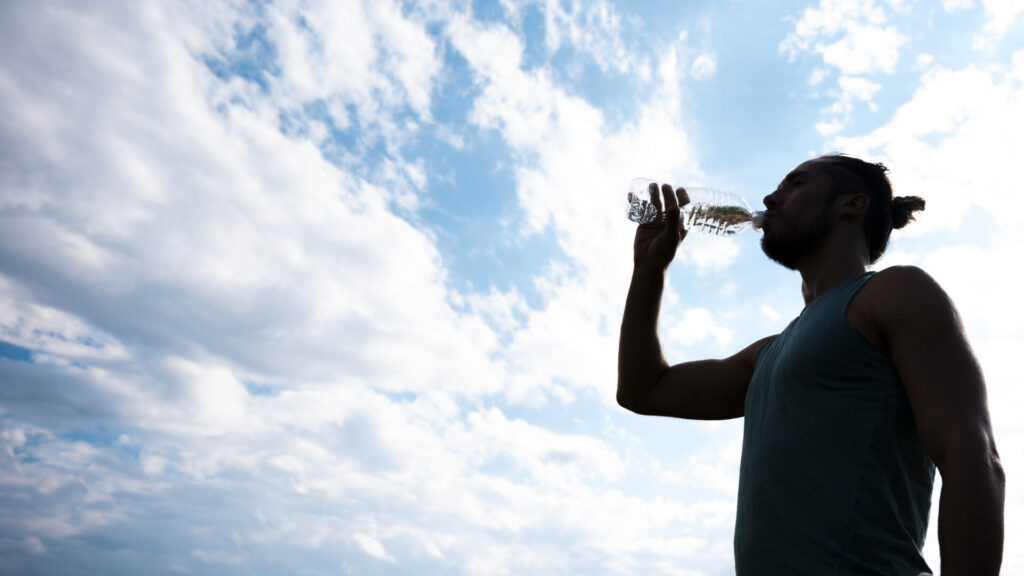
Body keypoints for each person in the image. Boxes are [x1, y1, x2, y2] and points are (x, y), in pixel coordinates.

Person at [617, 154, 1005, 574]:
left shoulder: (894, 292)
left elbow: (971, 455)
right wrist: (648, 270)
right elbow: (643, 390)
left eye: (794, 184)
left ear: (851, 204)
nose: (770, 197)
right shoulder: (768, 353)